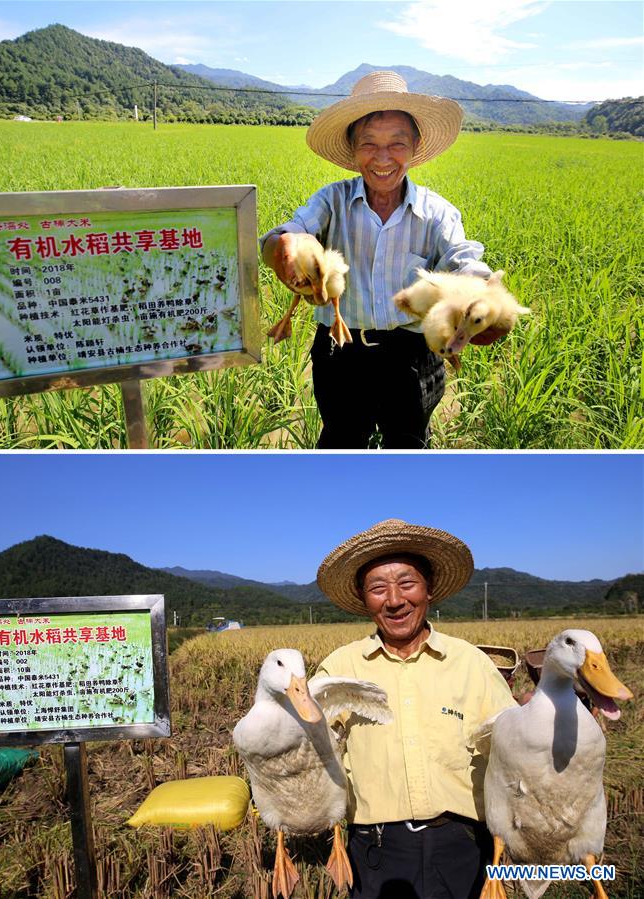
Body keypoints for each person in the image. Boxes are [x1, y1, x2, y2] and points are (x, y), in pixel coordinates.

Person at [260, 70, 504, 449]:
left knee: (408, 443)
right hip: (340, 353)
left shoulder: (436, 214)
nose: (383, 157)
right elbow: (286, 235)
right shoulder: (331, 201)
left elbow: (463, 260)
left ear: (416, 145)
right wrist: (284, 248)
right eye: (369, 143)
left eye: (397, 143)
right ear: (353, 148)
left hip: (411, 357)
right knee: (341, 441)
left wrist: (483, 298)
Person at [312, 518, 517, 899]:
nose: (394, 600)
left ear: (429, 590)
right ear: (363, 598)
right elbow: (311, 747)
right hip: (375, 850)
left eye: (407, 584)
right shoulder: (340, 668)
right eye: (378, 589)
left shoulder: (470, 662)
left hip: (461, 845)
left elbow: (511, 746)